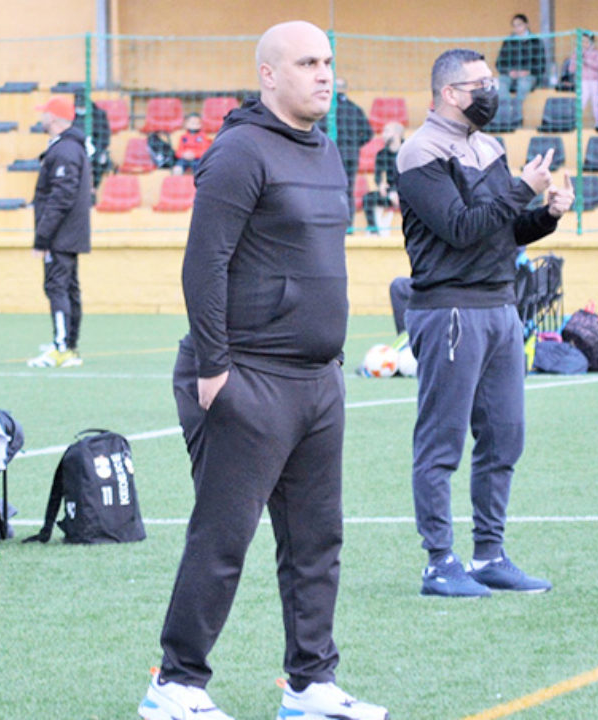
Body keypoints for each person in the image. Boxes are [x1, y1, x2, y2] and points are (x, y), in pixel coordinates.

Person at [138, 20, 388, 720]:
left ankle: (311, 686)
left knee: (317, 540)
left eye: (328, 61)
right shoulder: (239, 151)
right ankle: (176, 684)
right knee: (223, 539)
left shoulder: (328, 151)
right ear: (269, 74)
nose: (324, 73)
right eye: (308, 62)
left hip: (318, 380)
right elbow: (204, 264)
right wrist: (214, 369)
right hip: (247, 376)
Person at [396, 49, 573, 598]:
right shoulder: (418, 152)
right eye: (481, 83)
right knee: (442, 441)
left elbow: (502, 232)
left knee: (504, 437)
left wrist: (545, 214)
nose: (492, 91)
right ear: (450, 93)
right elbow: (460, 227)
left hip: (500, 308)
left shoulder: (489, 146)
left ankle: (489, 555)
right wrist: (522, 188)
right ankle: (439, 562)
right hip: (450, 310)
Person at [28, 95, 91, 369]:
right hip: (69, 234)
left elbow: (60, 198)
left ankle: (62, 347)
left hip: (60, 235)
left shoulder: (64, 151)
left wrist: (42, 238)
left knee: (57, 288)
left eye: (44, 114)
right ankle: (68, 344)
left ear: (53, 118)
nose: (41, 118)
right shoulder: (70, 148)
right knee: (68, 288)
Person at [317, 77, 373, 230]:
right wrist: (355, 145)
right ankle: (348, 226)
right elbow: (368, 133)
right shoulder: (355, 109)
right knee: (348, 191)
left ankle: (329, 225)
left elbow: (317, 131)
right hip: (350, 156)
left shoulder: (326, 111)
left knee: (327, 190)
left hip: (329, 156)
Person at [361, 121, 403, 235]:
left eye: (387, 131)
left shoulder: (407, 150)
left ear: (396, 134)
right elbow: (377, 175)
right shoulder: (381, 154)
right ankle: (373, 230)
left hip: (407, 192)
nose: (383, 134)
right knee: (367, 199)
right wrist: (381, 185)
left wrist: (396, 191)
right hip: (390, 194)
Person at [495, 13, 544, 112]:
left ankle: (516, 115)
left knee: (523, 85)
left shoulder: (536, 42)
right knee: (500, 83)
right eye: (514, 25)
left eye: (519, 24)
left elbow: (541, 64)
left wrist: (528, 71)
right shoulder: (508, 42)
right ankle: (506, 113)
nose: (517, 28)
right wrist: (509, 71)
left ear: (526, 25)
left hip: (529, 76)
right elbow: (499, 63)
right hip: (510, 75)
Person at [72, 90, 111, 190]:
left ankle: (93, 189)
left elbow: (104, 138)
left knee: (101, 160)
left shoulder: (99, 114)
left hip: (94, 151)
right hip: (75, 151)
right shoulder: (71, 115)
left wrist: (95, 151)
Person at [567, 32, 598, 126]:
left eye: (586, 41)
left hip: (594, 81)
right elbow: (571, 69)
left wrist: (586, 60)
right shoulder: (576, 53)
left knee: (596, 102)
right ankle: (575, 123)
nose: (584, 44)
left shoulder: (596, 53)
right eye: (582, 41)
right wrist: (576, 59)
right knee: (581, 102)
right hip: (582, 81)